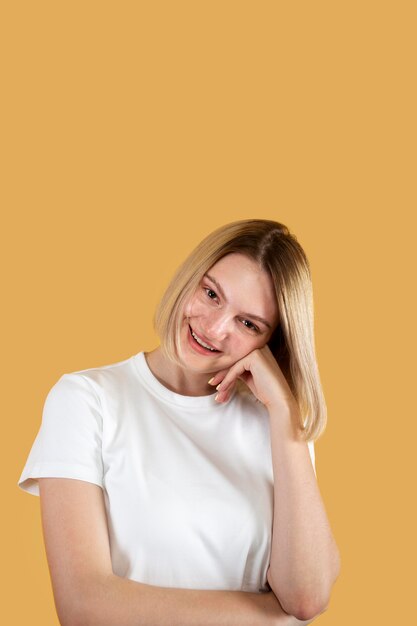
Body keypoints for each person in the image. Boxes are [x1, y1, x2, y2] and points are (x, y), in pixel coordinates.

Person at [18, 218, 341, 625]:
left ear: (270, 343)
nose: (214, 328)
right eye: (211, 293)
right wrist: (273, 618)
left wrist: (287, 416)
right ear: (189, 278)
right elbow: (83, 606)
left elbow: (308, 596)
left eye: (248, 323)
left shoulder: (279, 425)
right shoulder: (87, 400)